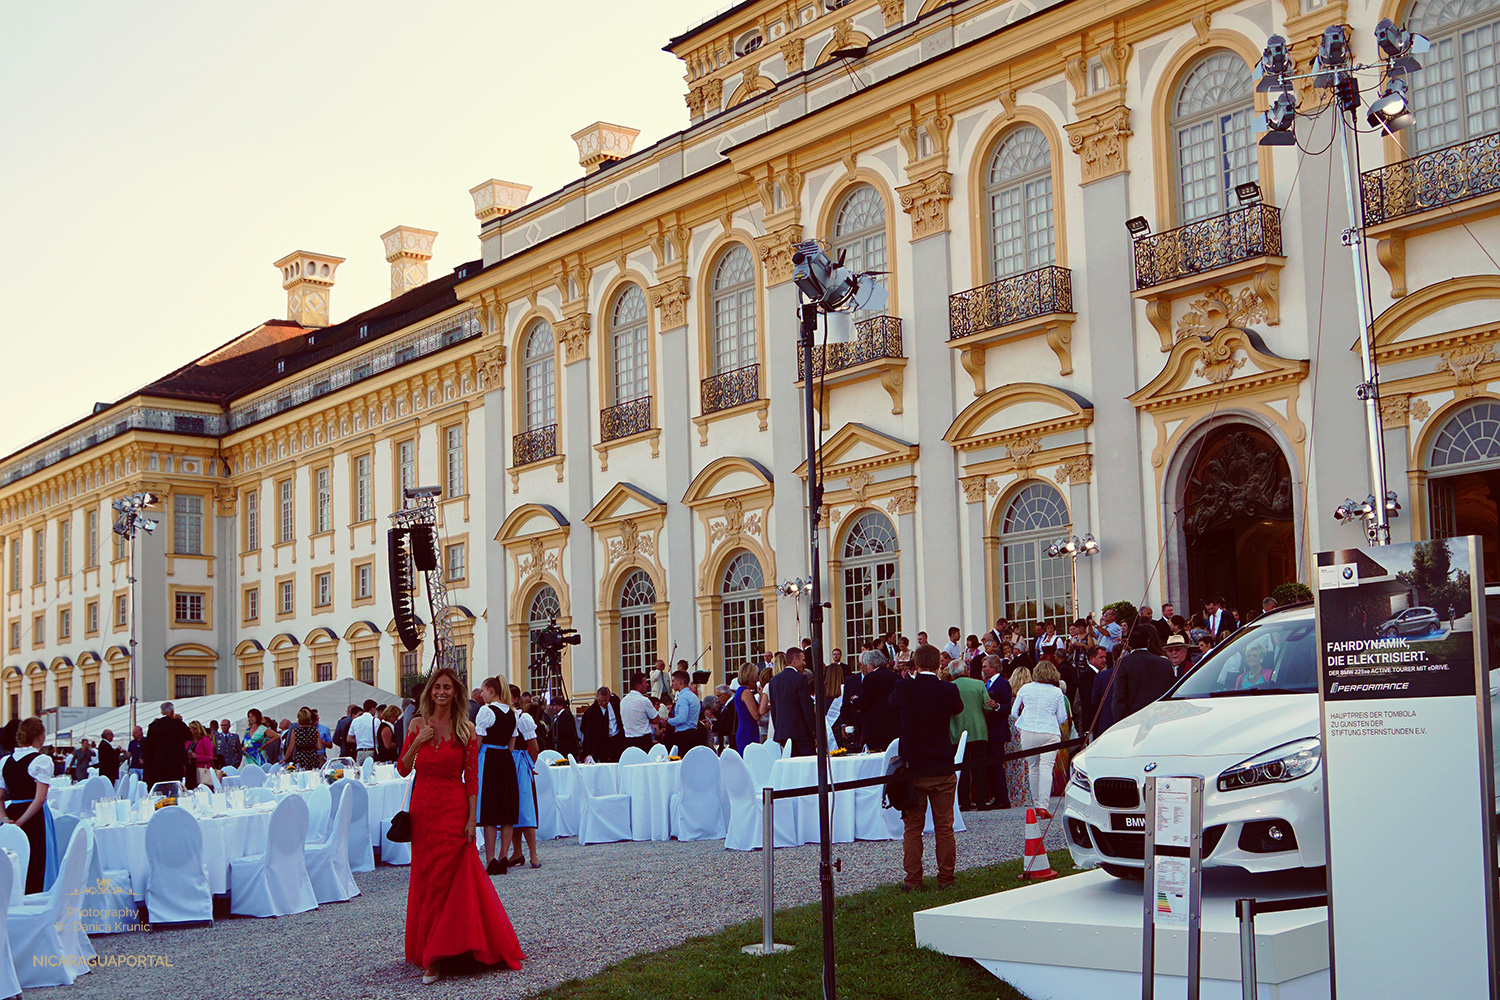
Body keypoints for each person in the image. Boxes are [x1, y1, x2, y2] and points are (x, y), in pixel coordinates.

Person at [397, 666, 525, 983]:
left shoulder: (466, 729)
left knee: (451, 881)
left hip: (454, 809)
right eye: (437, 687)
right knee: (427, 880)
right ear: (430, 692)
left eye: (448, 688)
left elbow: (472, 779)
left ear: (456, 694)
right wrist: (418, 742)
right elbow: (403, 769)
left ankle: (439, 957)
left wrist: (472, 819)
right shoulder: (416, 725)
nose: (442, 692)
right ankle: (431, 949)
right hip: (423, 810)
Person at [891, 644, 964, 891]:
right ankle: (946, 878)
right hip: (942, 764)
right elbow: (957, 709)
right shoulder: (948, 689)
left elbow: (893, 703)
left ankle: (913, 879)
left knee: (913, 829)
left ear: (916, 664)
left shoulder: (905, 687)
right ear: (939, 664)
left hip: (914, 768)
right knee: (944, 827)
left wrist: (907, 679)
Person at [1, 717, 59, 894]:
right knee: (38, 861)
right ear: (41, 737)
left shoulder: (5, 762)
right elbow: (40, 799)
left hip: (12, 813)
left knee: (15, 859)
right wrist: (20, 822)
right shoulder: (41, 760)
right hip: (34, 816)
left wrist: (5, 819)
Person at [1010, 662, 1071, 818]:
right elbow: (1063, 717)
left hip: (1028, 731)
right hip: (1050, 731)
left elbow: (1014, 712)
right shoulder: (1057, 692)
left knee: (1033, 767)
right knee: (1046, 768)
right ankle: (1043, 805)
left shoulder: (1025, 688)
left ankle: (1036, 803)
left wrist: (1023, 722)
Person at [474, 678, 519, 876]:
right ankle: (503, 857)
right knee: (507, 810)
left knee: (490, 811)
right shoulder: (513, 713)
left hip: (490, 758)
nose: (482, 695)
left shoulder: (486, 711)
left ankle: (491, 859)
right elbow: (512, 742)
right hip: (506, 759)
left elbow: (478, 740)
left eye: (483, 691)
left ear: (491, 691)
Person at [947, 661, 990, 812]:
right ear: (965, 669)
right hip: (978, 730)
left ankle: (964, 802)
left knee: (961, 769)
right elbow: (986, 706)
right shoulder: (979, 684)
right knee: (980, 768)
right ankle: (981, 801)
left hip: (956, 731)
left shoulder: (950, 687)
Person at [1113, 626, 1177, 723]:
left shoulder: (1123, 663)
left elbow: (1119, 697)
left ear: (1128, 643)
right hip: (1161, 717)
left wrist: (1120, 722)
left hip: (1134, 719)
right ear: (1148, 641)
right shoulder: (1164, 663)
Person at [768, 646, 817, 756]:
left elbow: (774, 709)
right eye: (803, 660)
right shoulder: (800, 678)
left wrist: (779, 730)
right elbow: (807, 708)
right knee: (808, 767)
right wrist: (814, 734)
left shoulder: (774, 680)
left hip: (783, 734)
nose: (805, 663)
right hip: (801, 734)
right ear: (795, 659)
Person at [980, 655, 1012, 809]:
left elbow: (1007, 707)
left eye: (985, 666)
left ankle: (1002, 799)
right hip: (988, 730)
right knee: (992, 766)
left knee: (997, 767)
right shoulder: (986, 684)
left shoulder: (1003, 684)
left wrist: (997, 705)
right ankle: (995, 796)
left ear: (994, 667)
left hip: (997, 731)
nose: (983, 669)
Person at [857, 649, 900, 752]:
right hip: (894, 728)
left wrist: (854, 700)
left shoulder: (870, 678)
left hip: (875, 730)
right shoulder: (896, 677)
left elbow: (863, 701)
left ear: (871, 664)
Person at [143, 702, 190, 790]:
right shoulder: (178, 724)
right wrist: (181, 721)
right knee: (176, 789)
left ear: (162, 713)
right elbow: (189, 736)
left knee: (161, 789)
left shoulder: (153, 726)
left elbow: (148, 747)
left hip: (159, 764)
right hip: (175, 763)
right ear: (172, 712)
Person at [580, 687, 625, 763]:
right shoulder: (590, 712)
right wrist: (589, 752)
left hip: (617, 739)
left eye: (606, 701)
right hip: (602, 743)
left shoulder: (615, 702)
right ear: (597, 698)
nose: (604, 703)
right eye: (601, 701)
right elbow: (588, 733)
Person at [619, 672, 658, 753]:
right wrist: (647, 719)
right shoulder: (644, 700)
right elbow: (656, 719)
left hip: (628, 740)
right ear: (638, 686)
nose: (647, 685)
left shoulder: (623, 701)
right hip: (643, 740)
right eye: (645, 682)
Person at [735, 663, 767, 752]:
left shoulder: (740, 691)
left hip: (746, 729)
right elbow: (756, 715)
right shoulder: (746, 692)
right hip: (748, 731)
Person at [666, 670, 701, 752]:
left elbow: (682, 718)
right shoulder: (694, 696)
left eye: (673, 681)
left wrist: (668, 721)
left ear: (680, 682)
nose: (672, 684)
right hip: (693, 732)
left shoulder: (683, 698)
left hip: (684, 735)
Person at [348, 699, 380, 765]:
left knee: (360, 771)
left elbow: (349, 739)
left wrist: (359, 739)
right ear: (372, 709)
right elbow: (378, 736)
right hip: (371, 750)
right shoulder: (375, 720)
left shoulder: (355, 721)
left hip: (360, 751)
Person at [188, 722, 215, 788]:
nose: (188, 730)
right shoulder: (189, 741)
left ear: (196, 730)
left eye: (190, 729)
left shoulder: (205, 740)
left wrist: (197, 757)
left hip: (201, 770)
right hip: (190, 770)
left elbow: (211, 757)